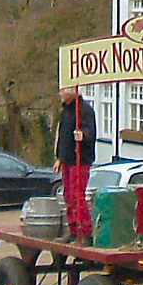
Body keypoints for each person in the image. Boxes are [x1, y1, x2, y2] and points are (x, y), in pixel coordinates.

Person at [53, 85, 97, 245]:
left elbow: (90, 132)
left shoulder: (85, 110)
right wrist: (60, 158)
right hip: (68, 160)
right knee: (68, 196)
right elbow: (62, 136)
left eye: (62, 91)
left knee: (78, 196)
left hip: (81, 160)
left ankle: (85, 232)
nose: (60, 94)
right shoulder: (65, 111)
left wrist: (83, 135)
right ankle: (73, 229)